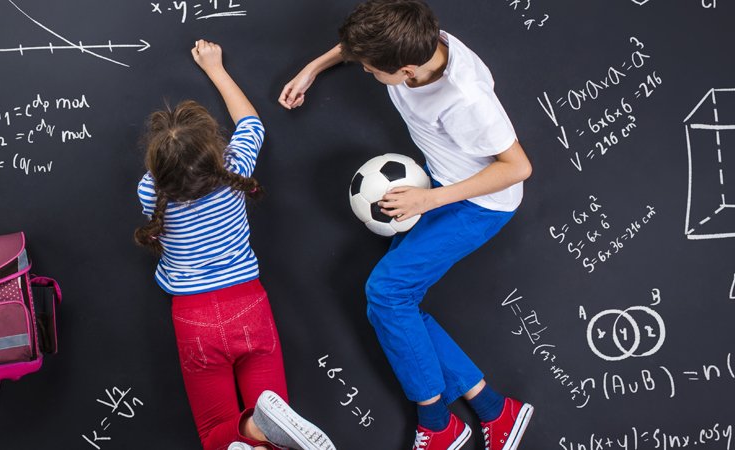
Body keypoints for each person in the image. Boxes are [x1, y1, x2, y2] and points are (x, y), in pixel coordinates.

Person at [278, 2, 534, 449]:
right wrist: (313, 69)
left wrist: (428, 198)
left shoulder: (469, 101)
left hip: (480, 203)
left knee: (386, 294)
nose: (366, 73)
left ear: (408, 70)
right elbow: (361, 46)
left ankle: (437, 424)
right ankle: (494, 409)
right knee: (393, 300)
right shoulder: (414, 38)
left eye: (373, 71)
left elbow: (517, 167)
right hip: (441, 182)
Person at [135, 39, 336, 450]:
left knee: (215, 434)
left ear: (157, 168)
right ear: (216, 153)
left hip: (193, 319)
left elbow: (164, 176)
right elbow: (251, 124)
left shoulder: (149, 192)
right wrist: (215, 68)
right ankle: (259, 430)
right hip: (248, 306)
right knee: (274, 411)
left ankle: (249, 433)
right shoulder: (234, 171)